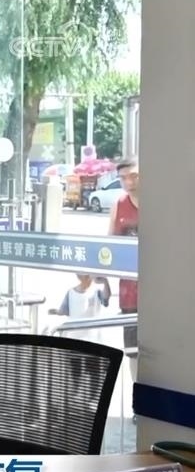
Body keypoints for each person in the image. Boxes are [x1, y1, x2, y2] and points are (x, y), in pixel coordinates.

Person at [108, 159, 139, 377]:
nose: (129, 182)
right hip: (129, 295)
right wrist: (102, 281)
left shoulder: (162, 203)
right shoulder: (119, 205)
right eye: (123, 178)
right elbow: (108, 247)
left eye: (134, 176)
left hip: (161, 293)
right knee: (133, 352)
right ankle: (137, 394)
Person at [48, 274, 111, 343]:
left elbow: (106, 298)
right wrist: (56, 312)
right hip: (74, 336)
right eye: (86, 276)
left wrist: (105, 282)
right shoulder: (70, 292)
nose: (88, 278)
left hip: (92, 337)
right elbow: (63, 311)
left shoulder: (97, 291)